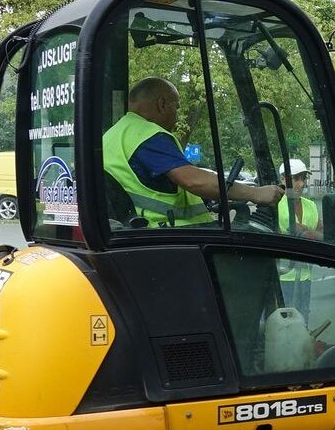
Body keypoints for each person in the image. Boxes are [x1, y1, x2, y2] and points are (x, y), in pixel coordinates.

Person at [103, 77, 283, 227]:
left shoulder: (114, 136)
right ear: (162, 104)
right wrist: (257, 194)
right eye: (177, 107)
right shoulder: (148, 135)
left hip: (141, 240)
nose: (177, 114)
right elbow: (192, 181)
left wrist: (229, 189)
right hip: (171, 242)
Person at [279, 158, 322, 320]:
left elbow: (321, 232)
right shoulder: (276, 205)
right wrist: (312, 234)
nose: (301, 184)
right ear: (283, 179)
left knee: (302, 320)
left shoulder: (310, 205)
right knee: (285, 322)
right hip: (284, 278)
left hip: (305, 276)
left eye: (303, 178)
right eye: (296, 179)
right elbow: (304, 234)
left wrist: (310, 233)